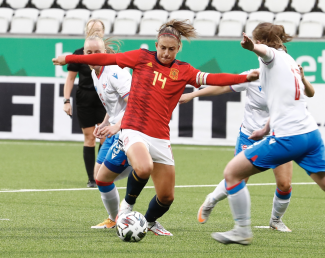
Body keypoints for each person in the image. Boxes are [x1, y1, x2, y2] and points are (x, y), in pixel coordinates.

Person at [53, 19, 259, 236]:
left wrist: (244, 77)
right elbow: (107, 58)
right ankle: (126, 209)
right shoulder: (142, 58)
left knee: (167, 197)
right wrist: (69, 58)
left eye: (171, 49)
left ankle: (148, 222)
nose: (166, 53)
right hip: (133, 128)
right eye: (162, 48)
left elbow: (212, 78)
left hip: (160, 136)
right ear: (156, 45)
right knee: (143, 168)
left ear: (178, 48)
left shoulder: (184, 70)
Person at [211, 23, 325, 255]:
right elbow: (285, 102)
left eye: (259, 41)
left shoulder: (272, 57)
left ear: (264, 41)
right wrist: (266, 127)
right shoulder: (291, 62)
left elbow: (266, 53)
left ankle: (242, 230)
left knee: (233, 173)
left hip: (288, 137)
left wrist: (251, 47)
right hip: (310, 134)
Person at [179, 65, 314, 232]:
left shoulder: (288, 80)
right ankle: (211, 200)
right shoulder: (253, 76)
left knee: (285, 184)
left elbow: (310, 93)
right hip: (250, 136)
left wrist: (302, 78)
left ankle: (275, 220)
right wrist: (193, 94)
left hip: (278, 136)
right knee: (239, 179)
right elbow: (222, 88)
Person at [73, 35, 132, 229]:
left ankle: (122, 214)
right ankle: (115, 219)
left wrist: (117, 126)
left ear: (104, 53)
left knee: (105, 176)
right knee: (98, 175)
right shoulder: (94, 74)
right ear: (84, 55)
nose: (93, 56)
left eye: (97, 52)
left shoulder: (116, 72)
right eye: (89, 53)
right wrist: (105, 123)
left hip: (128, 129)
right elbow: (113, 106)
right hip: (114, 128)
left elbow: (134, 104)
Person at [63, 19, 107, 188]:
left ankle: (102, 175)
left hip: (104, 98)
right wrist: (66, 100)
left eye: (98, 30)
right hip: (85, 98)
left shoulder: (109, 54)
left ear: (103, 33)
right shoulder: (78, 53)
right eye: (91, 31)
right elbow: (71, 78)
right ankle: (91, 179)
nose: (95, 33)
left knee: (105, 137)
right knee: (89, 138)